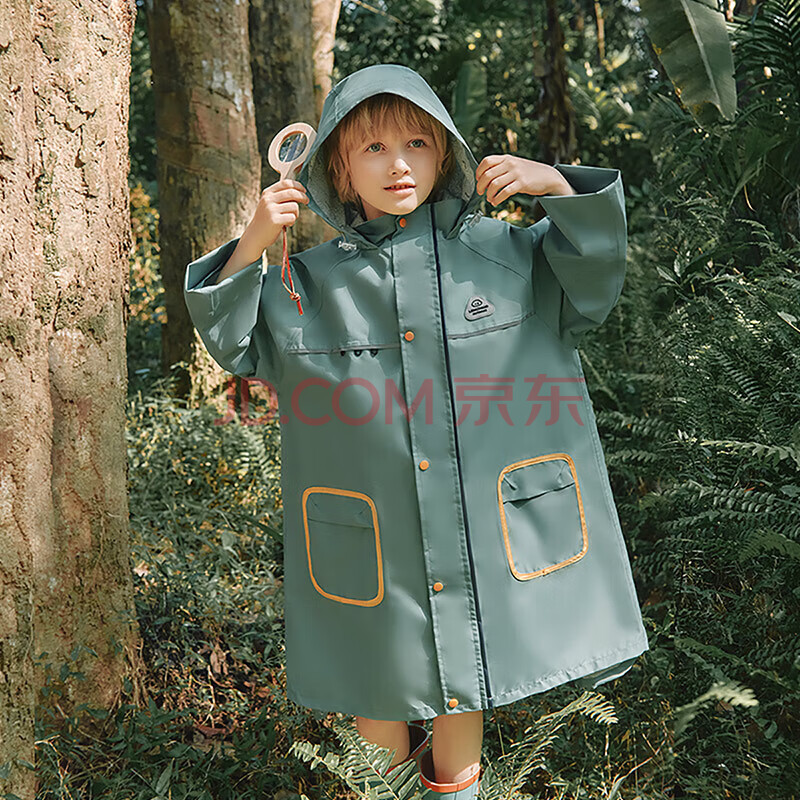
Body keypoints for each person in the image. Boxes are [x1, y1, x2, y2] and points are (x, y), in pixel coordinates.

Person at [184, 64, 649, 800]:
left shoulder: (509, 254)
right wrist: (253, 240)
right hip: (371, 533)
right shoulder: (306, 284)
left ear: (445, 152)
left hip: (485, 528)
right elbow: (236, 342)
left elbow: (593, 281)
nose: (397, 164)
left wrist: (557, 186)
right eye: (373, 148)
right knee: (379, 680)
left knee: (468, 677)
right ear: (339, 166)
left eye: (416, 144)